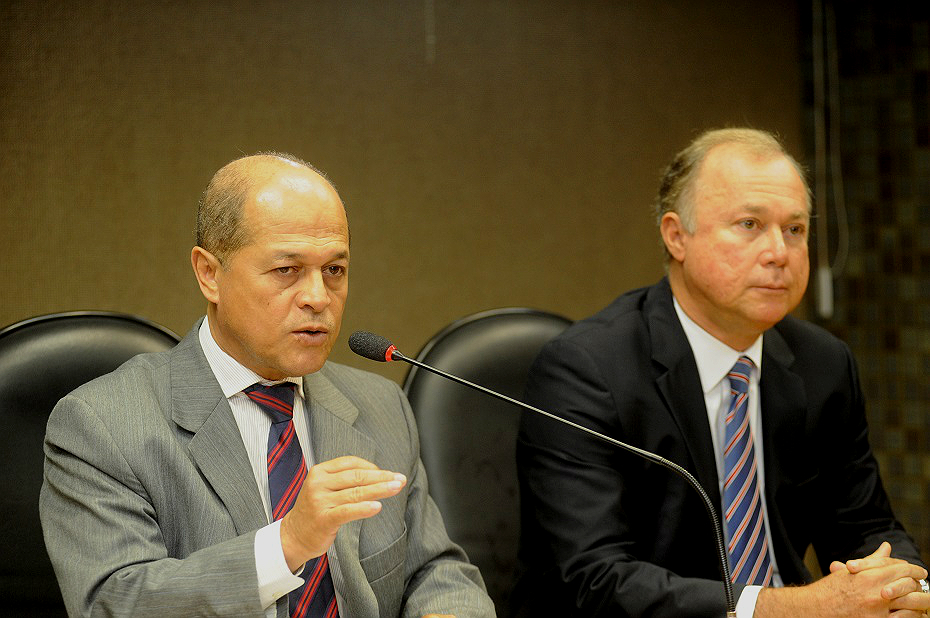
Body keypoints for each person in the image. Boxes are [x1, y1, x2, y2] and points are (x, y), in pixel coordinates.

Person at [40, 153, 495, 618]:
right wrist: (287, 543)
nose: (318, 297)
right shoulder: (102, 425)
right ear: (209, 274)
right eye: (286, 270)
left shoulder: (380, 405)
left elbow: (436, 571)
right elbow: (113, 603)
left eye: (334, 270)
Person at [515, 128, 930, 617]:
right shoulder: (587, 370)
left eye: (795, 230)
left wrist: (901, 590)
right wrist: (795, 609)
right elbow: (593, 578)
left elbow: (866, 526)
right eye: (749, 224)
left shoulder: (823, 363)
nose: (779, 252)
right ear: (676, 236)